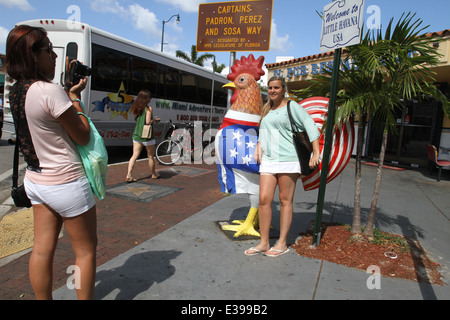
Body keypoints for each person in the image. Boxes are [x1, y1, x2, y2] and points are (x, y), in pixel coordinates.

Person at [6, 25, 97, 299]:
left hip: (35, 181)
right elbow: (82, 136)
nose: (55, 56)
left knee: (42, 249)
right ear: (33, 55)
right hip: (66, 182)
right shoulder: (49, 91)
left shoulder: (15, 90)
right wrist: (75, 99)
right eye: (48, 50)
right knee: (85, 250)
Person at [245, 76, 321, 257]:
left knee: (285, 200)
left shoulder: (291, 106)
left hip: (289, 158)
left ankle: (282, 243)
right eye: (270, 88)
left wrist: (316, 152)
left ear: (283, 89)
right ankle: (264, 243)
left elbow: (309, 125)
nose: (272, 91)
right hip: (269, 160)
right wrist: (258, 147)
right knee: (264, 199)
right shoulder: (266, 109)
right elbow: (263, 131)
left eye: (276, 88)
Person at [126, 89, 160, 182]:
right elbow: (148, 122)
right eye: (149, 97)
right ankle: (153, 174)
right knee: (150, 156)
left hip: (137, 135)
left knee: (134, 155)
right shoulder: (148, 109)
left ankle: (129, 175)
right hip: (147, 136)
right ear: (146, 98)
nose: (150, 99)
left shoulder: (135, 108)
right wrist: (155, 120)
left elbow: (137, 120)